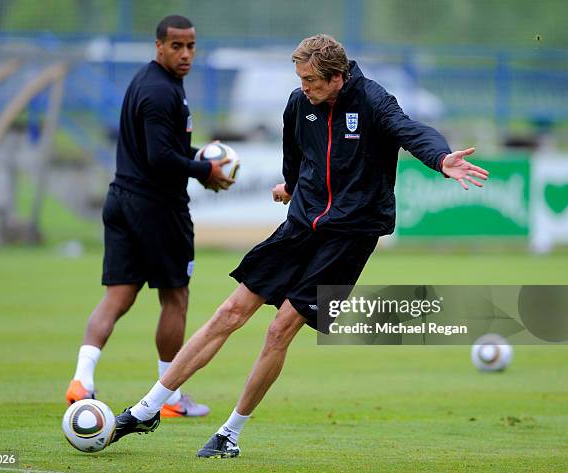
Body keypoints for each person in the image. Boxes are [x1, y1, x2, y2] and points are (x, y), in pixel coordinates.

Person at [109, 34, 489, 455]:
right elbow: (295, 152)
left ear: (338, 78)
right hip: (301, 224)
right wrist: (291, 186)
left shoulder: (374, 101)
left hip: (350, 236)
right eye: (301, 78)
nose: (304, 87)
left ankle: (229, 434)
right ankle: (146, 409)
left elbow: (411, 131)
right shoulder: (299, 103)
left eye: (311, 80)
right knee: (229, 311)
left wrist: (441, 158)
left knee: (278, 330)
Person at [64, 15, 234, 419]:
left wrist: (193, 159)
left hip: (122, 197)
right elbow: (159, 159)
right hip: (156, 209)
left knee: (118, 295)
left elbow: (155, 150)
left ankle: (82, 378)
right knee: (175, 296)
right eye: (177, 46)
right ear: (158, 46)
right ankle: (171, 396)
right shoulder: (160, 92)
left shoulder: (149, 82)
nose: (186, 53)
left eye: (191, 45)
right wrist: (204, 171)